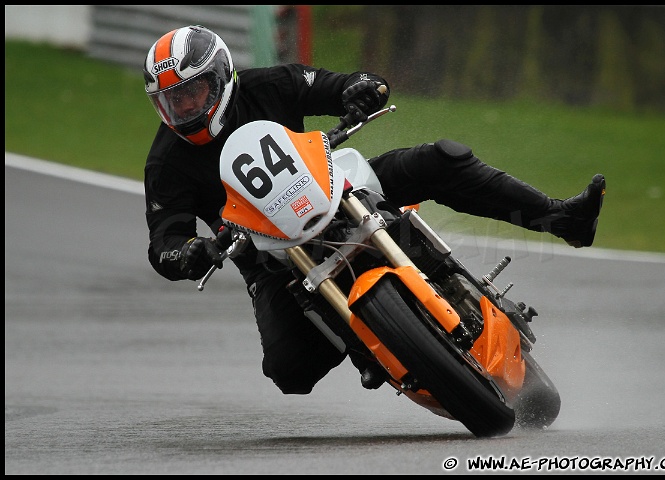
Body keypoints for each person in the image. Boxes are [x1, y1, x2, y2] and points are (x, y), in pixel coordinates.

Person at [143, 25, 606, 393]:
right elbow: (163, 241)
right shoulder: (166, 163)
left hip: (334, 191)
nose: (182, 108)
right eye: (170, 101)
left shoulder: (271, 86)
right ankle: (366, 341)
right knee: (289, 371)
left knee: (440, 159)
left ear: (221, 79)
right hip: (269, 258)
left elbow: (343, 84)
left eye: (190, 93)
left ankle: (562, 217)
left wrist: (363, 89)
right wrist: (189, 252)